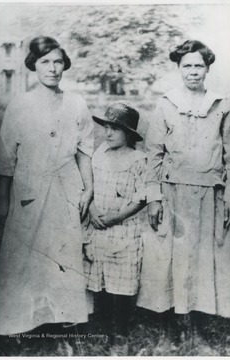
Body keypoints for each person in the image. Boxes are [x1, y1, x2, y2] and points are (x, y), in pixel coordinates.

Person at [137, 40, 230, 355]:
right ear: (179, 68)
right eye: (187, 66)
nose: (193, 72)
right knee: (175, 258)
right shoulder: (167, 104)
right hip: (173, 195)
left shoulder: (222, 105)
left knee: (205, 259)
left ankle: (202, 321)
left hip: (210, 195)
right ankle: (176, 324)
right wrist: (153, 196)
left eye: (199, 66)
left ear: (207, 68)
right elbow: (153, 153)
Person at [0, 36, 94, 350]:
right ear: (33, 66)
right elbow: (5, 158)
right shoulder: (20, 105)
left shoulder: (76, 103)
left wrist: (88, 188)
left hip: (66, 187)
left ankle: (64, 324)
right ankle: (14, 327)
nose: (52, 68)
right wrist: (1, 202)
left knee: (63, 255)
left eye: (57, 61)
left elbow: (84, 150)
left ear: (64, 64)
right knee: (24, 257)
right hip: (30, 189)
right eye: (45, 62)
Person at [83, 102, 147, 355]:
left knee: (122, 282)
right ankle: (102, 327)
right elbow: (87, 185)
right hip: (97, 225)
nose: (108, 133)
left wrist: (115, 217)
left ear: (129, 133)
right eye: (106, 127)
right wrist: (92, 210)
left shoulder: (138, 160)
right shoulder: (99, 154)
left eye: (115, 129)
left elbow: (140, 198)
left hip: (123, 228)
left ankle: (120, 332)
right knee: (100, 279)